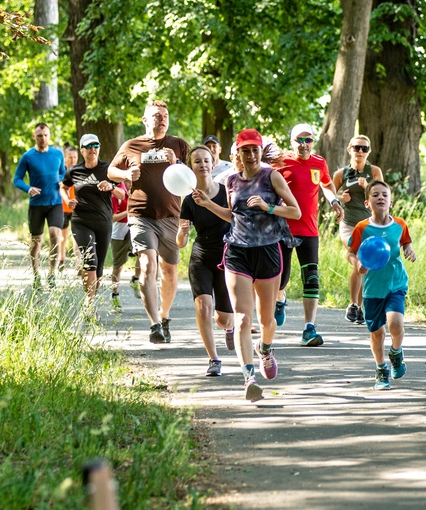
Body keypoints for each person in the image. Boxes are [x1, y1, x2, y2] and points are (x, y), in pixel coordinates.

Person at [193, 128, 301, 402]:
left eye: (255, 149)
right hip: (237, 251)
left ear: (259, 151)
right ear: (238, 154)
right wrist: (207, 204)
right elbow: (233, 216)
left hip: (267, 250)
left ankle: (265, 348)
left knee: (266, 320)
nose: (251, 155)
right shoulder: (231, 181)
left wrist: (269, 207)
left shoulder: (271, 177)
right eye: (245, 150)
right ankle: (248, 377)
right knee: (242, 317)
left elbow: (295, 211)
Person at [107, 100, 190, 343]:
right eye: (156, 116)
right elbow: (111, 170)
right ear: (145, 120)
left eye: (164, 115)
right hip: (140, 214)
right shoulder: (132, 145)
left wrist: (177, 162)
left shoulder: (178, 145)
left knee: (170, 271)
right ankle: (154, 324)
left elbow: (194, 177)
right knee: (147, 265)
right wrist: (125, 174)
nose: (161, 119)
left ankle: (164, 316)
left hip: (171, 216)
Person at [275, 123, 344, 346]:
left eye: (308, 140)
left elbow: (326, 184)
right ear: (292, 142)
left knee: (311, 279)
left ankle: (309, 328)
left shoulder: (319, 162)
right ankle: (280, 299)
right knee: (280, 280)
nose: (304, 145)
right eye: (299, 140)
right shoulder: (280, 161)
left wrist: (333, 199)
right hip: (282, 229)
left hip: (309, 229)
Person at [347, 181, 416, 391]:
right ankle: (380, 369)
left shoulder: (400, 225)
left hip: (395, 284)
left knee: (395, 324)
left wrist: (409, 250)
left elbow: (405, 242)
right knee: (377, 333)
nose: (380, 197)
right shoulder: (362, 228)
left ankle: (396, 352)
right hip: (372, 289)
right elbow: (350, 252)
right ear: (368, 203)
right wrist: (357, 263)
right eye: (375, 194)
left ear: (391, 201)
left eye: (384, 194)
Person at [177, 146, 235, 377]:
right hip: (201, 256)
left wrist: (208, 204)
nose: (202, 165)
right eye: (197, 162)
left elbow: (232, 217)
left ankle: (229, 328)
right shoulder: (188, 201)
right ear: (191, 167)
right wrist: (183, 232)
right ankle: (213, 358)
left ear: (213, 164)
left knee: (223, 318)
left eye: (206, 161)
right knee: (203, 306)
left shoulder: (226, 191)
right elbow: (180, 242)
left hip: (226, 256)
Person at [61, 134, 116, 313]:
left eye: (95, 145)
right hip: (81, 221)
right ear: (82, 150)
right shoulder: (74, 171)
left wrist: (112, 187)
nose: (92, 149)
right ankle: (89, 304)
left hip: (104, 221)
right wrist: (68, 201)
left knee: (98, 266)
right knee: (89, 260)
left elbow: (123, 189)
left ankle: (91, 297)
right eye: (88, 146)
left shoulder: (108, 169)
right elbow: (63, 186)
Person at [333, 135, 384, 325]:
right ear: (350, 150)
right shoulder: (341, 174)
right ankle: (354, 305)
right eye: (356, 148)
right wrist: (340, 199)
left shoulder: (374, 171)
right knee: (355, 253)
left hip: (369, 225)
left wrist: (368, 187)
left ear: (369, 151)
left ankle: (356, 307)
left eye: (364, 148)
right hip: (348, 223)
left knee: (365, 265)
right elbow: (330, 196)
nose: (360, 152)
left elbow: (382, 197)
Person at [13, 123, 66, 289]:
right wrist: (28, 189)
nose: (43, 138)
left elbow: (63, 172)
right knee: (36, 242)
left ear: (49, 136)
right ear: (34, 137)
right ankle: (36, 274)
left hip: (55, 202)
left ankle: (52, 273)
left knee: (55, 235)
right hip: (36, 204)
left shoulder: (58, 154)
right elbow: (17, 179)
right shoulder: (28, 157)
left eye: (45, 135)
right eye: (39, 135)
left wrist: (62, 181)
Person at [110, 182, 131, 310]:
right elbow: (112, 218)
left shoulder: (139, 190)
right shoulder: (115, 194)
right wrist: (128, 212)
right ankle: (115, 293)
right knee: (118, 266)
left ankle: (135, 280)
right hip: (119, 232)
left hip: (136, 228)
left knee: (145, 256)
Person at [60, 145, 80, 272]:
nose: (72, 160)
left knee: (77, 237)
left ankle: (78, 264)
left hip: (76, 209)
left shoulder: (80, 171)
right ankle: (61, 258)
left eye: (74, 157)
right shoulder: (60, 172)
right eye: (70, 157)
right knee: (62, 237)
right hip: (61, 208)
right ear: (65, 158)